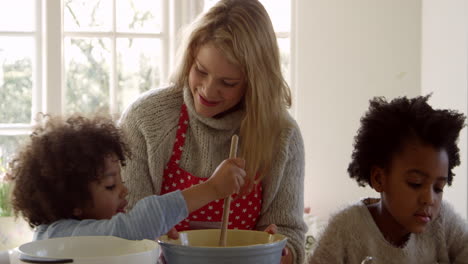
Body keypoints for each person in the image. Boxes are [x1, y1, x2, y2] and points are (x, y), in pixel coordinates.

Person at [119, 0, 307, 263]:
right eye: (201, 71)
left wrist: (280, 252)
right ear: (190, 57)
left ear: (255, 83)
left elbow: (292, 235)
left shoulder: (282, 135)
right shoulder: (145, 120)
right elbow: (124, 228)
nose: (207, 90)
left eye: (227, 83)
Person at [8, 114, 245, 241]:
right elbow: (135, 227)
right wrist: (212, 189)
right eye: (111, 185)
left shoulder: (90, 234)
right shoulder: (59, 236)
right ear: (74, 203)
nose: (124, 190)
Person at [308, 95, 468, 263]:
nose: (429, 199)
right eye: (416, 183)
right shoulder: (345, 230)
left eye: (438, 188)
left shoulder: (443, 222)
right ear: (379, 179)